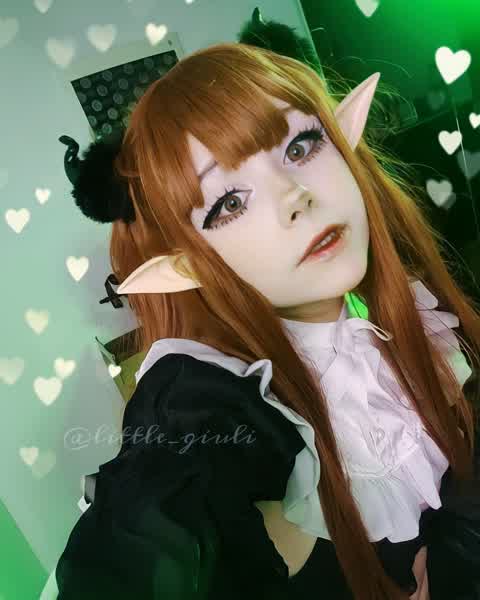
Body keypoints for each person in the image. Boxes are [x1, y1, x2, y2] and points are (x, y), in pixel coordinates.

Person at [55, 42, 480, 599]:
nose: (294, 197)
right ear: (188, 264)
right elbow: (145, 528)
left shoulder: (417, 311)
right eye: (229, 202)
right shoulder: (210, 404)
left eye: (301, 146)